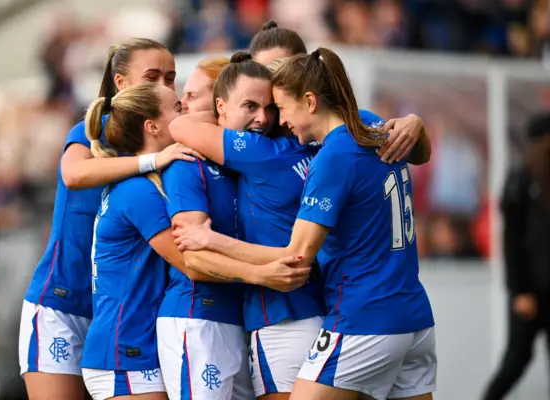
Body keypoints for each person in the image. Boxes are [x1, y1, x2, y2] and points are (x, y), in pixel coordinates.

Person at [172, 48, 436, 400]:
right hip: (415, 316)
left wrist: (211, 240)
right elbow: (419, 151)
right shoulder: (371, 123)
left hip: (364, 315)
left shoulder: (329, 156)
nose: (277, 119)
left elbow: (297, 256)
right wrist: (415, 123)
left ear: (310, 100)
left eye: (280, 107)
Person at [80, 82, 302, 399]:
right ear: (153, 126)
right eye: (179, 109)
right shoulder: (139, 191)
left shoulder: (154, 180)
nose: (189, 112)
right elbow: (192, 264)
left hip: (143, 341)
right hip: (123, 347)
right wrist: (263, 273)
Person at [18, 38, 202, 400]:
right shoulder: (96, 127)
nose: (163, 86)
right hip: (64, 299)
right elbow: (73, 174)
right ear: (121, 82)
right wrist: (149, 162)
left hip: (123, 315)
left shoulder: (168, 139)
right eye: (152, 76)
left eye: (170, 77)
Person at [158, 53, 310, 400]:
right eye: (250, 106)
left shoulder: (248, 160)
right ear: (220, 107)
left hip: (241, 320)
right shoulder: (187, 164)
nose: (263, 117)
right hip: (198, 318)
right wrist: (259, 274)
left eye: (270, 107)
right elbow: (192, 260)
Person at [249, 20, 430, 165]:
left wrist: (415, 127)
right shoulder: (249, 137)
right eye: (265, 72)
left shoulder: (352, 125)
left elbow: (419, 156)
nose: (274, 79)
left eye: (280, 68)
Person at [482, 113, 550, 400]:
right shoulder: (520, 182)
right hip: (530, 294)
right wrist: (518, 290)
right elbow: (510, 243)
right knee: (517, 358)